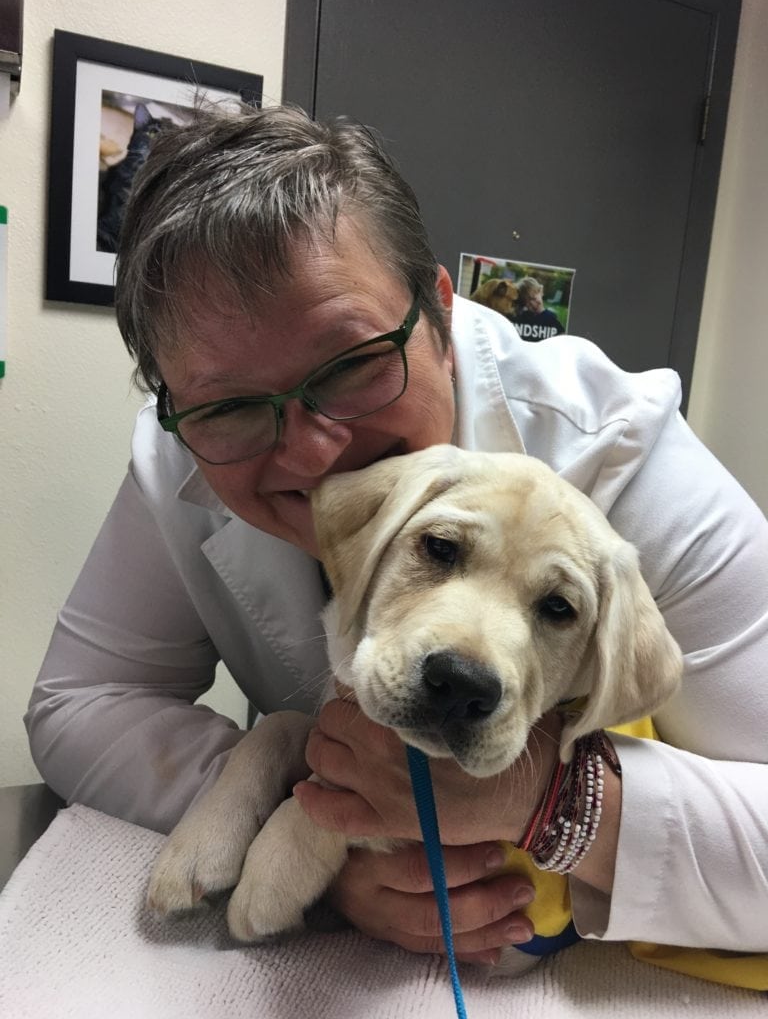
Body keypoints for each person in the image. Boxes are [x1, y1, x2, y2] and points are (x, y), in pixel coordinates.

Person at [26, 103, 768, 974]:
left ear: (441, 316)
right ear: (181, 409)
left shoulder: (624, 450)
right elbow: (78, 702)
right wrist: (322, 825)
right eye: (227, 406)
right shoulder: (180, 449)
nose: (311, 452)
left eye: (350, 365)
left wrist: (547, 797)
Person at [511, 276, 565, 341]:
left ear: (541, 292)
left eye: (533, 298)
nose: (532, 304)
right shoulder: (523, 317)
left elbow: (562, 336)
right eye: (527, 303)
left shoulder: (550, 318)